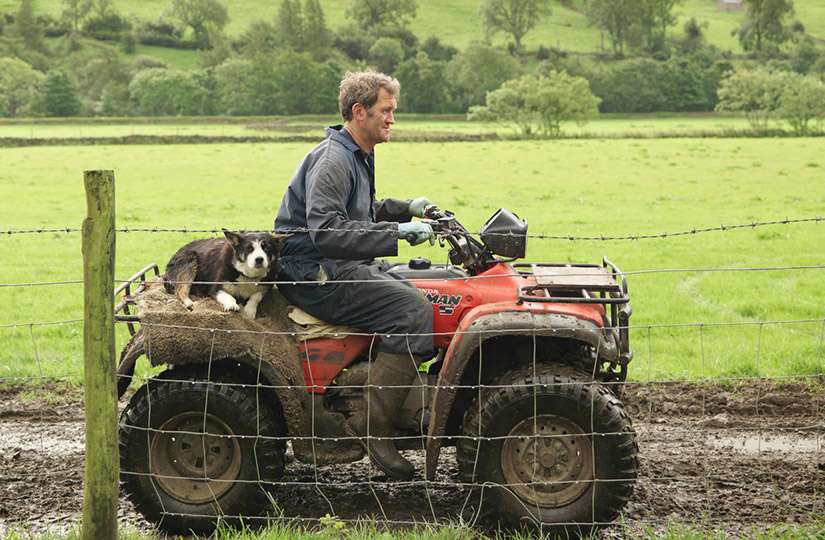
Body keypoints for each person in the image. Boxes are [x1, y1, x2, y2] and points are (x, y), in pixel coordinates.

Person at [274, 71, 435, 480]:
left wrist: (406, 209)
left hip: (335, 265)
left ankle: (401, 402)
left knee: (429, 291)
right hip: (314, 273)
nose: (392, 119)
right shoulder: (334, 160)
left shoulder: (356, 154)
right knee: (412, 312)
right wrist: (396, 234)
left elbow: (361, 210)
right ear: (359, 111)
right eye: (386, 111)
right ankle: (375, 429)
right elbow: (327, 231)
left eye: (393, 111)